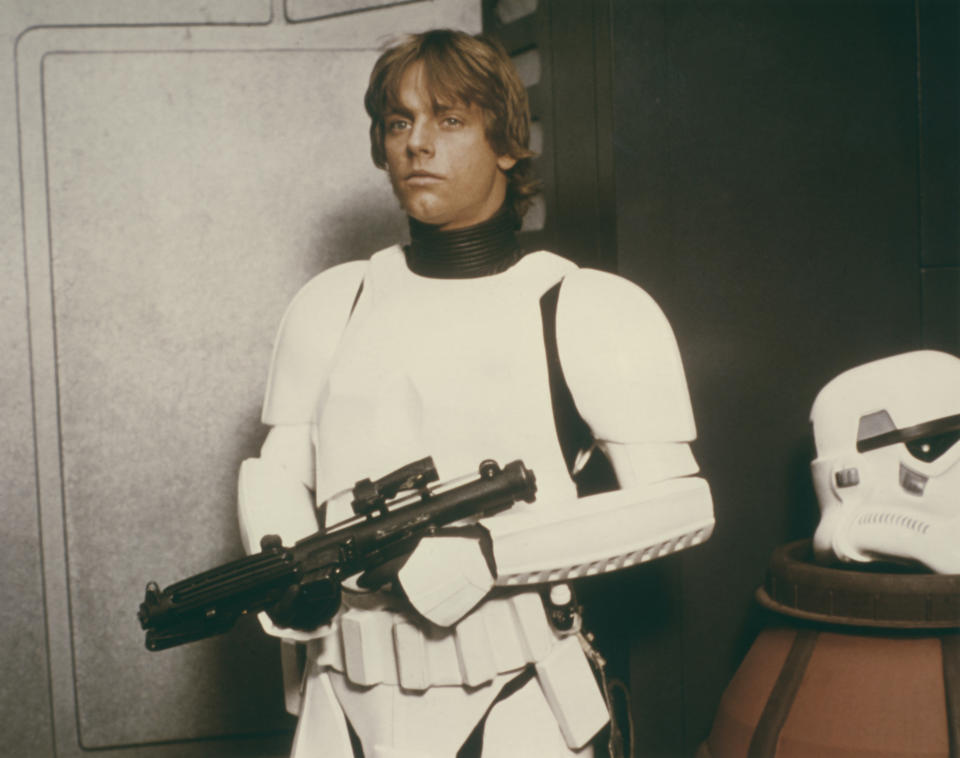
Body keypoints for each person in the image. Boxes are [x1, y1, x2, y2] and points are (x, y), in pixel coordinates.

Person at [237, 29, 714, 758]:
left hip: (515, 693)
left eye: (449, 119)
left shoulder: (580, 305)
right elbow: (278, 467)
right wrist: (288, 575)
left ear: (508, 144)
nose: (417, 144)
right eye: (399, 122)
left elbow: (682, 505)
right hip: (343, 697)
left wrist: (490, 554)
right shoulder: (333, 303)